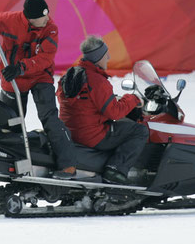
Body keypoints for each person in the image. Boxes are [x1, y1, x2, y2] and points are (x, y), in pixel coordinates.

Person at [0, 0, 78, 179]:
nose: (46, 20)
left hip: (39, 76)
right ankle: (13, 162)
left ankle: (67, 165)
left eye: (46, 15)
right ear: (28, 18)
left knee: (49, 118)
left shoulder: (50, 29)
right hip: (13, 78)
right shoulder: (8, 20)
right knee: (10, 121)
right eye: (40, 18)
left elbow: (45, 58)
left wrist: (21, 67)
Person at [57, 36, 148, 184]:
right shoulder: (97, 80)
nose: (109, 57)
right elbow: (115, 113)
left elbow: (79, 104)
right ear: (98, 57)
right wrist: (133, 99)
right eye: (106, 55)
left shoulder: (69, 75)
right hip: (92, 135)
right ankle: (115, 170)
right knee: (139, 130)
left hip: (70, 131)